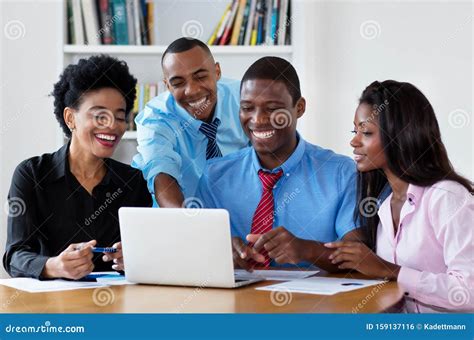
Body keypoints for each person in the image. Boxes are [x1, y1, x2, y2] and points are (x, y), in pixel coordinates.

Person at [196, 57, 361, 272]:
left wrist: (307, 250)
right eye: (247, 108)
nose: (258, 119)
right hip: (235, 303)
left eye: (272, 108)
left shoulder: (342, 174)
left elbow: (359, 256)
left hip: (314, 304)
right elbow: (193, 249)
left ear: (299, 108)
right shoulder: (215, 176)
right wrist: (219, 251)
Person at [325, 80, 473, 312]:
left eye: (366, 132)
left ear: (400, 135)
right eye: (355, 131)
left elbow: (468, 292)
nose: (353, 141)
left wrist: (389, 270)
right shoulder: (384, 205)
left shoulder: (447, 197)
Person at [3, 55, 152, 280]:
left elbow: (146, 255)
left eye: (120, 117)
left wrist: (130, 258)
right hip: (53, 309)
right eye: (100, 115)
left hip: (116, 306)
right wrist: (54, 266)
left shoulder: (133, 182)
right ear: (70, 118)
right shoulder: (32, 174)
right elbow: (15, 255)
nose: (112, 125)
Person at [132, 38, 249, 207]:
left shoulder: (243, 99)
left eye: (200, 77)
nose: (192, 91)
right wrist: (189, 225)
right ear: (167, 86)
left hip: (236, 212)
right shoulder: (155, 118)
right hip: (176, 215)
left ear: (217, 72)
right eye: (178, 83)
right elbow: (162, 176)